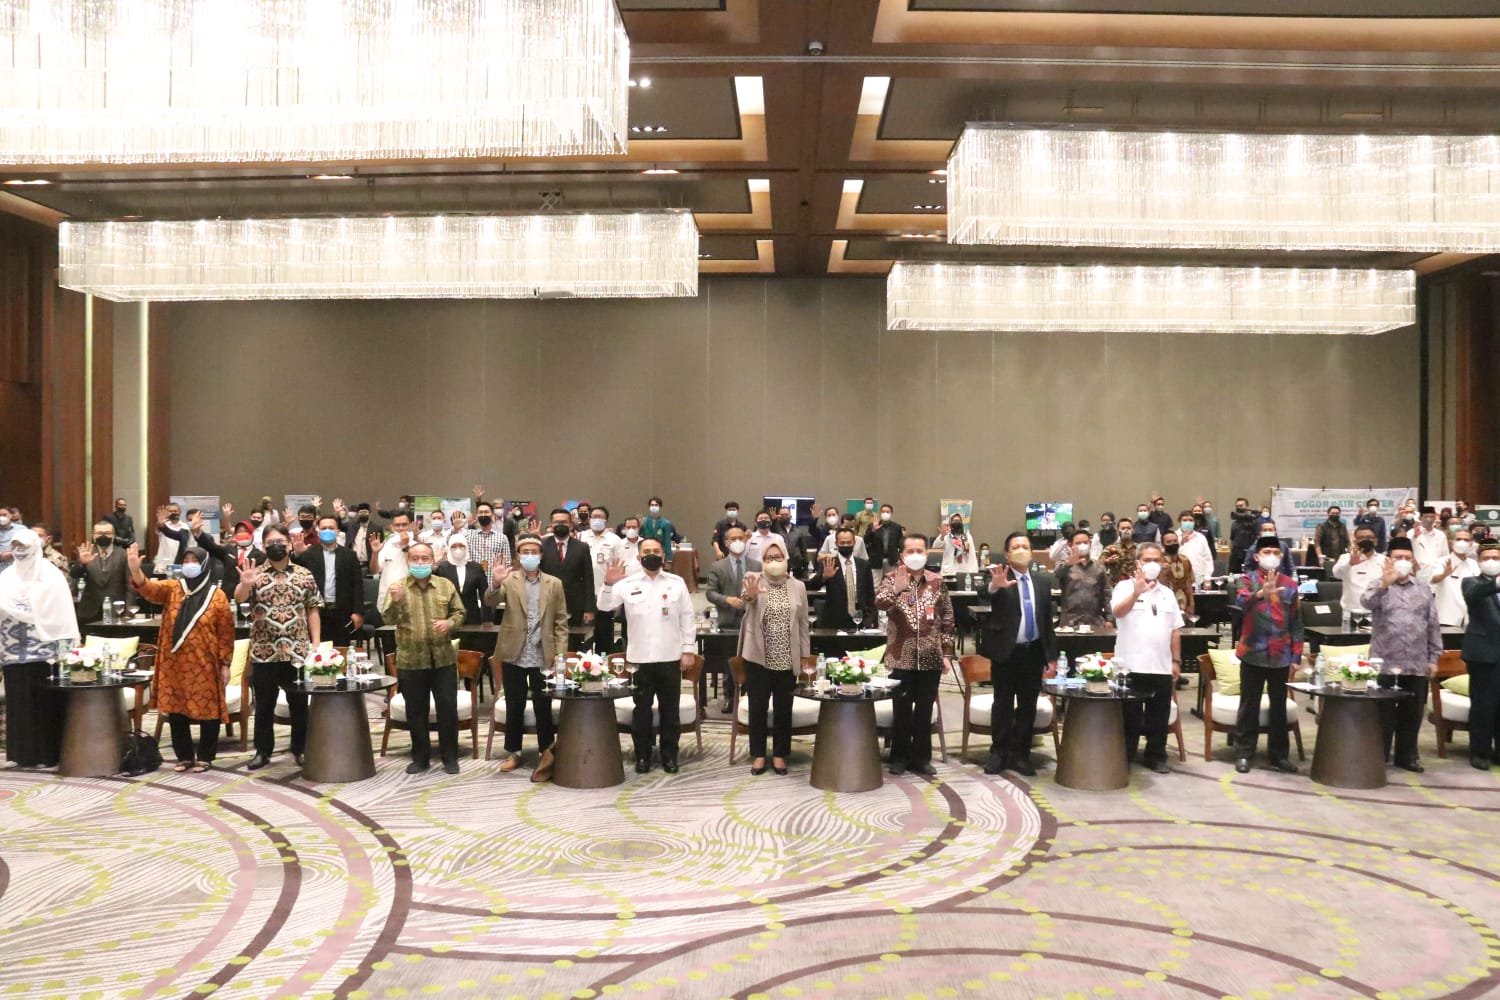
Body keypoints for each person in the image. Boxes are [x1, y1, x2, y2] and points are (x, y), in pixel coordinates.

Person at [126, 543, 233, 772]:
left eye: (194, 561)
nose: (189, 565)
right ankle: (184, 756)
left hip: (205, 664)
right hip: (174, 663)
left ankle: (205, 756)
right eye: (185, 561)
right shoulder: (173, 588)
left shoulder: (218, 596)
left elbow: (226, 633)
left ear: (204, 564)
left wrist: (225, 664)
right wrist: (135, 569)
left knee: (209, 710)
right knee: (176, 710)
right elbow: (148, 588)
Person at [598, 537, 696, 773]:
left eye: (656, 551)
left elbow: (687, 617)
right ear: (639, 556)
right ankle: (642, 756)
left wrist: (688, 650)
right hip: (639, 660)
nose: (651, 554)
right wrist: (608, 583)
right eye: (647, 551)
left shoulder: (676, 583)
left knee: (670, 711)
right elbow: (604, 606)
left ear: (663, 555)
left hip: (670, 657)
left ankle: (669, 756)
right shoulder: (627, 583)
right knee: (641, 710)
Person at [234, 525, 322, 770]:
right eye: (271, 542)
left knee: (299, 705)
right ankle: (263, 751)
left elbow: (313, 610)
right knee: (264, 705)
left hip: (297, 652)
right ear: (263, 547)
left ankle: (300, 748)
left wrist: (315, 645)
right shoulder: (254, 573)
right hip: (264, 651)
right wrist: (245, 584)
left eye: (281, 541)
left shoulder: (304, 574)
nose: (276, 546)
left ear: (289, 544)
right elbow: (239, 598)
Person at [977, 531, 1058, 776]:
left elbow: (1046, 621)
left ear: (1031, 552)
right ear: (1007, 554)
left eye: (1025, 546)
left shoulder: (1043, 581)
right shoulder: (999, 575)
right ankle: (998, 752)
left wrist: (1051, 657)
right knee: (1002, 703)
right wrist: (994, 586)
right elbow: (983, 593)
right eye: (1016, 547)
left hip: (1033, 652)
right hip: (1006, 652)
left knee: (1027, 706)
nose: (1021, 550)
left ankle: (1021, 754)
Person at [875, 533, 955, 776]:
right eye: (910, 551)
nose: (915, 555)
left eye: (920, 550)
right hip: (900, 656)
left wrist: (947, 653)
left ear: (927, 553)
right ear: (902, 555)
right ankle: (899, 756)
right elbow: (879, 604)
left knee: (924, 710)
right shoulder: (891, 579)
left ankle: (921, 757)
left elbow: (948, 618)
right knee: (901, 709)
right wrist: (896, 590)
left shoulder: (937, 582)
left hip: (931, 656)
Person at [491, 533, 569, 779]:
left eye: (534, 552)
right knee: (514, 703)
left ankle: (547, 751)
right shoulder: (509, 579)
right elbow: (490, 602)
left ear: (541, 555)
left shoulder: (554, 583)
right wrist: (495, 584)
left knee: (543, 703)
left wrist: (560, 654)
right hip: (514, 650)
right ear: (518, 555)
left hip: (542, 652)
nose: (529, 556)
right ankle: (513, 752)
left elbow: (561, 621)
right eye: (525, 552)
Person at [1361, 537, 1442, 773]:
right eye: (1398, 557)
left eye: (1407, 558)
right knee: (1383, 715)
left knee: (1412, 713)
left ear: (1413, 561)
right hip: (1385, 662)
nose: (1403, 561)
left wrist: (1433, 657)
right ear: (1389, 560)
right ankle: (1379, 755)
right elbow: (1366, 603)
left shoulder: (1423, 589)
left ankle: (1407, 756)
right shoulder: (1378, 585)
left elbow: (1432, 625)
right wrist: (1384, 584)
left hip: (1416, 662)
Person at [385, 543, 466, 775]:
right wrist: (397, 601)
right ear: (408, 561)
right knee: (416, 711)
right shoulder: (397, 587)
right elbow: (388, 618)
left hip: (443, 659)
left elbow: (460, 612)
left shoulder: (445, 585)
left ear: (433, 561)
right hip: (411, 661)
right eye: (415, 558)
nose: (420, 562)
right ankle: (420, 758)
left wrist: (450, 623)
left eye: (424, 558)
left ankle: (450, 757)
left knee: (447, 709)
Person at [0, 527, 77, 766]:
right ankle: (21, 755)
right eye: (15, 546)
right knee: (18, 702)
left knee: (45, 703)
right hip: (13, 649)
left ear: (35, 546)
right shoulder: (6, 576)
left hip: (45, 651)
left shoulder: (50, 574)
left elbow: (61, 610)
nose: (19, 551)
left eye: (23, 546)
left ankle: (47, 754)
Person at [1232, 536, 1304, 774]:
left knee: (1278, 707)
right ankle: (1244, 753)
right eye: (1267, 552)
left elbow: (1296, 622)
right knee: (1249, 705)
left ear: (1281, 557)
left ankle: (1279, 755)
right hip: (1252, 652)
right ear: (1256, 556)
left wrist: (1296, 656)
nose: (1271, 555)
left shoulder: (1290, 585)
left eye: (1275, 552)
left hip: (1281, 654)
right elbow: (1240, 602)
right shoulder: (1246, 580)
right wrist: (1260, 594)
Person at [737, 540, 809, 776]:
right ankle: (759, 755)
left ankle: (779, 754)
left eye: (778, 557)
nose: (774, 561)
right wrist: (749, 596)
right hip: (758, 657)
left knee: (783, 708)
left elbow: (803, 624)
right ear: (762, 560)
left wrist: (805, 656)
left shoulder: (798, 586)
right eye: (769, 558)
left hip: (787, 658)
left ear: (786, 558)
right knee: (757, 707)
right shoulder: (753, 579)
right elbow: (746, 600)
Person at [1112, 542, 1183, 774]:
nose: (1152, 564)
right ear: (1138, 563)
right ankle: (1126, 756)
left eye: (1156, 560)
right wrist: (1136, 593)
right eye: (1147, 560)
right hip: (1130, 666)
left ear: (1163, 563)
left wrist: (1176, 661)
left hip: (1161, 666)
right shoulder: (1124, 587)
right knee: (1129, 718)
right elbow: (1117, 612)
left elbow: (1175, 630)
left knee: (1158, 716)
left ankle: (1156, 756)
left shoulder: (1168, 594)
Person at [704, 525, 759, 713]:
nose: (738, 542)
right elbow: (710, 593)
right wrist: (726, 599)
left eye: (741, 538)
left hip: (751, 622)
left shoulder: (756, 565)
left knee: (752, 662)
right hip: (727, 623)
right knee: (729, 663)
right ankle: (729, 697)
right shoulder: (717, 566)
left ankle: (750, 696)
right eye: (733, 539)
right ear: (726, 543)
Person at [297, 514, 366, 643]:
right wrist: (298, 553)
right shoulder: (308, 554)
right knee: (317, 650)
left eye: (331, 528)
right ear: (318, 531)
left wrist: (358, 611)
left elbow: (357, 585)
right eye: (323, 528)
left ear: (338, 531)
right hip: (315, 612)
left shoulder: (349, 556)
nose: (327, 531)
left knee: (340, 650)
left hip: (342, 612)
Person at [1461, 542, 1500, 769]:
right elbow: (1473, 595)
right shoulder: (1472, 582)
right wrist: (1495, 584)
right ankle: (1480, 752)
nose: (1492, 561)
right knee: (1483, 705)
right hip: (1483, 654)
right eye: (1487, 557)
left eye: (1496, 557)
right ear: (1479, 561)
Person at [808, 527, 876, 630]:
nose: (846, 545)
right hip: (835, 620)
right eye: (842, 543)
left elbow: (870, 594)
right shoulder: (829, 563)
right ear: (836, 543)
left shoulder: (863, 565)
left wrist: (870, 618)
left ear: (854, 542)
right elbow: (812, 586)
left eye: (849, 542)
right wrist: (824, 577)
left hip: (860, 618)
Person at [541, 508, 596, 635]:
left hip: (575, 604)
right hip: (548, 603)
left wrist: (589, 609)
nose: (560, 525)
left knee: (573, 640)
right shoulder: (542, 546)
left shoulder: (582, 547)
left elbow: (588, 579)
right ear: (551, 524)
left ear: (571, 525)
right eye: (556, 522)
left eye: (564, 522)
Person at [579, 505, 622, 652]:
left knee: (604, 633)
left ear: (606, 520)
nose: (597, 519)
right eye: (594, 517)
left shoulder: (615, 540)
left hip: (606, 592)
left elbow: (619, 567)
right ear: (589, 519)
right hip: (585, 594)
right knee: (584, 634)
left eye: (600, 517)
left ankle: (603, 661)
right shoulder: (581, 537)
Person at [69, 519, 129, 624]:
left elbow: (130, 587)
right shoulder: (86, 552)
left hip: (117, 609)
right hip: (89, 611)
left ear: (114, 536)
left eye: (107, 533)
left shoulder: (124, 554)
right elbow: (74, 576)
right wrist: (82, 563)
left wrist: (128, 612)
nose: (103, 536)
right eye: (99, 533)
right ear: (93, 536)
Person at [1055, 528, 1109, 628]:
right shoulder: (1064, 565)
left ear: (1090, 543)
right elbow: (1057, 575)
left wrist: (1109, 618)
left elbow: (1106, 593)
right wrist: (1068, 564)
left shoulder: (1099, 566)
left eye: (1085, 542)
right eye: (1078, 543)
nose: (1082, 545)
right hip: (1070, 623)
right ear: (1071, 545)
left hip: (1095, 621)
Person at [1428, 526, 1479, 628]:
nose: (1462, 542)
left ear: (1471, 544)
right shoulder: (1442, 561)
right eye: (1459, 539)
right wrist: (1444, 574)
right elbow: (1433, 580)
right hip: (1447, 618)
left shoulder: (1474, 564)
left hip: (1469, 620)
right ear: (1451, 543)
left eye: (1466, 540)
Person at [1332, 525, 1386, 619]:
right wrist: (1350, 564)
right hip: (1352, 612)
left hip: (1377, 613)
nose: (1366, 540)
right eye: (1361, 538)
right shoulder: (1346, 558)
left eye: (1369, 537)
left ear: (1375, 541)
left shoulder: (1385, 560)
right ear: (1355, 541)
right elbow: (1337, 574)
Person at [437, 535, 488, 626]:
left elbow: (484, 595)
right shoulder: (442, 567)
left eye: (461, 546)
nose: (458, 549)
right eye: (454, 546)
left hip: (472, 617)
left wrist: (488, 620)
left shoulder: (476, 568)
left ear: (466, 547)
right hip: (448, 618)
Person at [371, 510, 415, 611]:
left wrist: (405, 547)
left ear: (410, 525)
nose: (401, 528)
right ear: (391, 527)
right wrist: (375, 553)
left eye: (404, 525)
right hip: (387, 596)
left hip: (410, 596)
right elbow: (374, 571)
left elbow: (415, 571)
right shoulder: (385, 545)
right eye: (397, 525)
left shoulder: (417, 546)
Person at [464, 501, 512, 579]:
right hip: (473, 580)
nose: (483, 514)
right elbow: (452, 541)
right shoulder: (468, 535)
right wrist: (456, 529)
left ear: (492, 515)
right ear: (477, 516)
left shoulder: (502, 538)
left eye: (486, 512)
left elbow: (507, 562)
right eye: (480, 512)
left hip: (494, 580)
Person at [1159, 530, 1196, 617]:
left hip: (1184, 604)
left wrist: (1192, 603)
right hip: (1165, 604)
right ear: (1163, 544)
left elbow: (1189, 583)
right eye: (1169, 542)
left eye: (1175, 541)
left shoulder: (1185, 560)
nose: (1173, 544)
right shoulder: (1159, 561)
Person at [867, 503, 904, 584]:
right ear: (880, 513)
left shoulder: (897, 527)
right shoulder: (872, 526)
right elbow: (866, 541)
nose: (885, 513)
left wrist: (899, 557)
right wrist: (872, 531)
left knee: (890, 583)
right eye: (883, 511)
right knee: (875, 584)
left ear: (891, 513)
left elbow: (901, 543)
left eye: (888, 512)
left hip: (891, 560)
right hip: (876, 560)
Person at [154, 502, 191, 575]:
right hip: (163, 563)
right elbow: (158, 527)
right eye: (170, 511)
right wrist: (159, 523)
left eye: (175, 511)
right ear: (167, 513)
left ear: (180, 512)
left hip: (180, 562)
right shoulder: (163, 525)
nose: (173, 513)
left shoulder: (185, 526)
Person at [640, 497, 679, 564]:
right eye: (652, 505)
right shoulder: (643, 521)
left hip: (659, 552)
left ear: (660, 507)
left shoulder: (666, 523)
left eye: (656, 505)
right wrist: (639, 526)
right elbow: (639, 538)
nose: (654, 507)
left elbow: (667, 542)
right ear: (649, 507)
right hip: (646, 552)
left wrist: (669, 559)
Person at [1177, 512, 1214, 582]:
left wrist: (1207, 576)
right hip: (1179, 577)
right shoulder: (1174, 536)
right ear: (1179, 522)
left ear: (1194, 522)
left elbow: (1208, 558)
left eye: (1191, 520)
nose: (1188, 522)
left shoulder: (1201, 537)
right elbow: (1169, 556)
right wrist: (1181, 543)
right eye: (1185, 520)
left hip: (1199, 576)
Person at [1412, 505, 1450, 573]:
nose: (1429, 519)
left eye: (1431, 517)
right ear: (1420, 518)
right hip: (1417, 571)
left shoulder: (1441, 535)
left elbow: (1445, 555)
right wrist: (1414, 537)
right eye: (1426, 517)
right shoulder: (1412, 533)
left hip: (1436, 571)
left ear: (1435, 518)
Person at [1228, 497, 1260, 572]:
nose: (1239, 508)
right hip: (1236, 555)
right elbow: (1232, 539)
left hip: (1249, 554)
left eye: (1241, 506)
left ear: (1247, 506)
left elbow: (1258, 538)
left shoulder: (1254, 522)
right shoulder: (1234, 523)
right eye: (1237, 506)